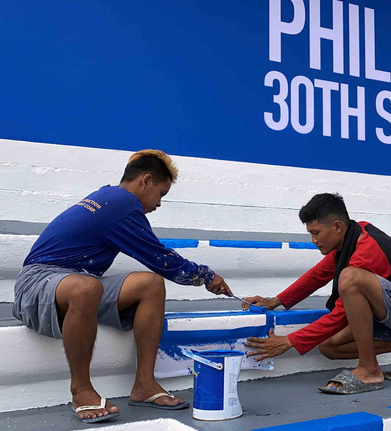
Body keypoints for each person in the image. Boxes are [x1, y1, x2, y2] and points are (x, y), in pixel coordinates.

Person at [12, 149, 233, 423]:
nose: (159, 204)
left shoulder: (109, 197)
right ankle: (81, 390)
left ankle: (144, 385)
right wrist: (207, 277)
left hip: (75, 281)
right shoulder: (122, 203)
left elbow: (155, 267)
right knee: (88, 287)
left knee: (150, 285)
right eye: (161, 194)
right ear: (146, 180)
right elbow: (160, 257)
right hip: (37, 283)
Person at [243, 193, 391, 394]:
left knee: (350, 278)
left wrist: (289, 341)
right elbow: (317, 275)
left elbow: (340, 314)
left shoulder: (368, 249)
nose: (313, 240)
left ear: (337, 227)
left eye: (316, 233)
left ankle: (369, 370)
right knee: (329, 346)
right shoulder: (349, 238)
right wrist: (275, 301)